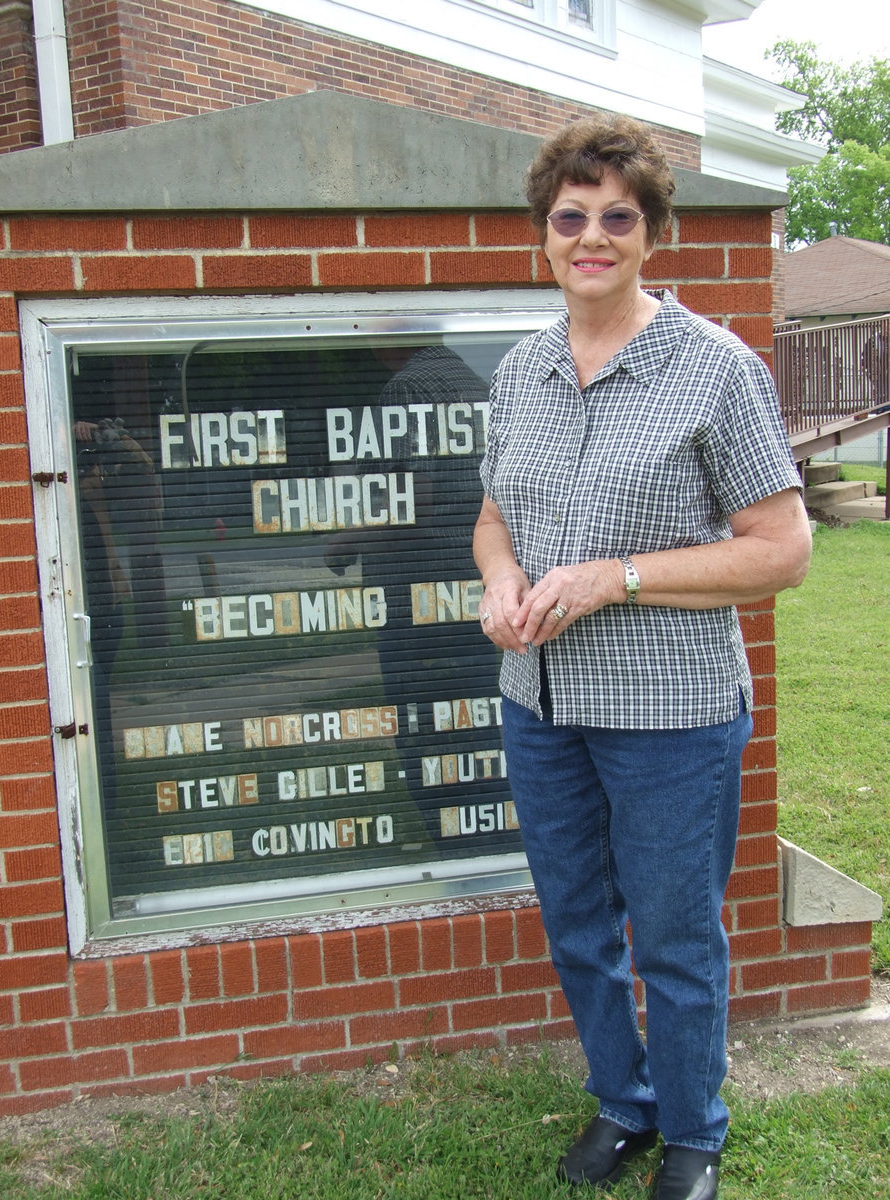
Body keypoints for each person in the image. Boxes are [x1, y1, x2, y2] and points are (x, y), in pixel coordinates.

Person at [473, 114, 812, 1200]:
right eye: (570, 217)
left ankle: (695, 1132)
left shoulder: (716, 371)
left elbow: (782, 550)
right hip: (540, 699)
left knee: (673, 936)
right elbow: (493, 517)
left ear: (652, 232)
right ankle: (624, 1105)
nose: (592, 236)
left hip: (673, 712)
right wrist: (500, 581)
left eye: (618, 216)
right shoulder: (521, 372)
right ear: (545, 234)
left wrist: (611, 575)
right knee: (578, 925)